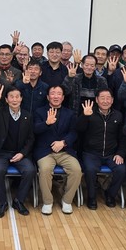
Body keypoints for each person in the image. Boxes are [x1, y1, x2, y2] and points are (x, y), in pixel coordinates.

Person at [0, 85, 35, 217]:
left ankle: (19, 201)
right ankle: (2, 203)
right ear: (6, 100)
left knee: (30, 170)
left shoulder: (27, 115)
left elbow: (31, 138)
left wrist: (22, 153)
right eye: (11, 97)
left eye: (17, 97)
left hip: (19, 153)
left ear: (21, 99)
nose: (14, 99)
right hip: (1, 153)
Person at [34, 86, 82, 215]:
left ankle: (67, 200)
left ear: (63, 97)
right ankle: (47, 202)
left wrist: (64, 142)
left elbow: (74, 132)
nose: (56, 96)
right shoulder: (39, 112)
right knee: (45, 170)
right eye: (53, 93)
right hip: (45, 152)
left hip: (65, 151)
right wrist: (46, 123)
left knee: (76, 170)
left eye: (59, 94)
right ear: (48, 97)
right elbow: (35, 130)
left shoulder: (70, 113)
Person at [76, 89, 126, 210]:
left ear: (112, 100)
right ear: (97, 100)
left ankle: (110, 195)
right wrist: (84, 116)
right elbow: (79, 129)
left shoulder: (118, 115)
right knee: (90, 170)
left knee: (121, 169)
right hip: (91, 153)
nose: (105, 101)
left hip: (111, 154)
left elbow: (123, 137)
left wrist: (120, 153)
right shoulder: (89, 112)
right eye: (102, 98)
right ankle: (91, 197)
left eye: (108, 98)